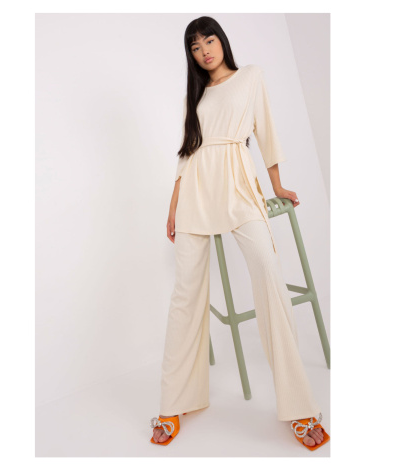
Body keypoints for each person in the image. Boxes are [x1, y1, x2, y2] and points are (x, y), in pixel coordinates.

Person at [149, 16, 330, 451]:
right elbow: (186, 153)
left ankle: (299, 405)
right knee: (186, 293)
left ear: (222, 41)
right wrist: (173, 206)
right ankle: (175, 403)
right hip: (195, 191)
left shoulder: (250, 77)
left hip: (236, 185)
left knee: (268, 273)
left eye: (208, 40)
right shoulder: (195, 95)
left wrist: (276, 185)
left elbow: (266, 132)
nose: (204, 51)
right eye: (195, 47)